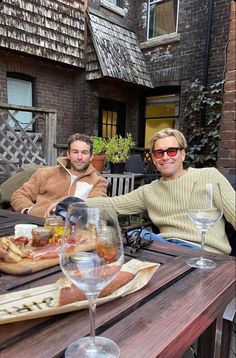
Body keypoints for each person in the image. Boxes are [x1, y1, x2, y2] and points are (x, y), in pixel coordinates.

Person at [85, 128, 235, 255]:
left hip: (206, 253)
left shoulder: (208, 175)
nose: (165, 157)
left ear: (182, 154)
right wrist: (70, 203)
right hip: (165, 249)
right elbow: (113, 204)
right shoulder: (149, 191)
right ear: (154, 159)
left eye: (171, 151)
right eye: (159, 153)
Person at [11, 133, 108, 217]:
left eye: (84, 153)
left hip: (75, 229)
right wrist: (30, 211)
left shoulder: (98, 181)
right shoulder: (45, 173)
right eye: (75, 152)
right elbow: (19, 195)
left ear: (91, 157)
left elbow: (95, 207)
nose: (79, 157)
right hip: (40, 224)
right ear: (68, 154)